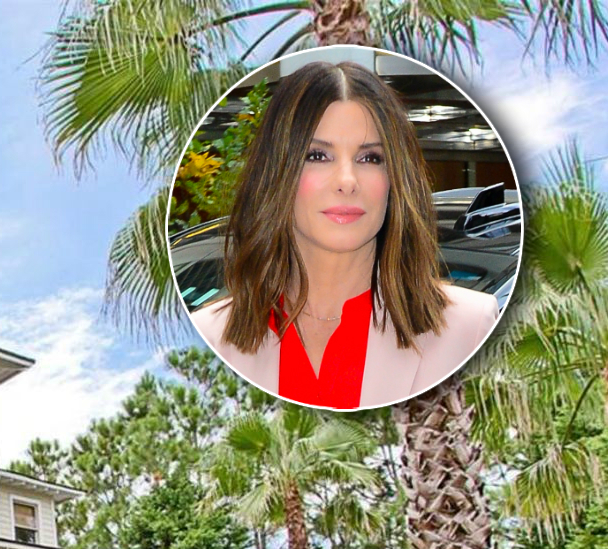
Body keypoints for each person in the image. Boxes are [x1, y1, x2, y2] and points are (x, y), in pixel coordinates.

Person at [187, 60, 499, 409]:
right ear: (276, 174)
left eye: (370, 158)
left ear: (394, 180)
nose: (347, 181)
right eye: (318, 155)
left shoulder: (469, 327)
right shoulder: (208, 335)